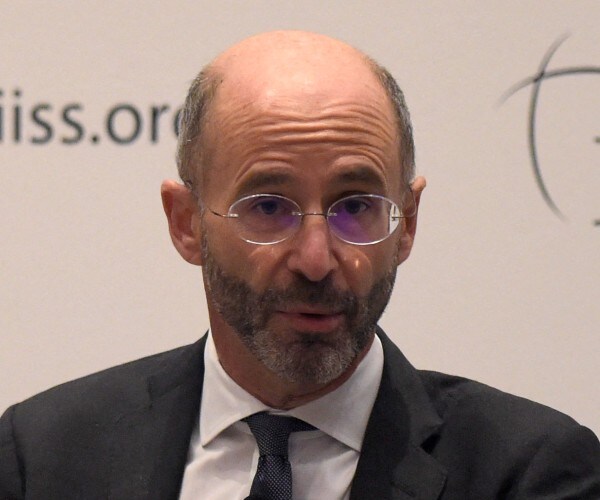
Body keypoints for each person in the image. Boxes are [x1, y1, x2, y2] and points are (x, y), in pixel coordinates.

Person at [1, 30, 598, 500]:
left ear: (408, 223)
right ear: (186, 222)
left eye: (356, 207)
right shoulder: (44, 456)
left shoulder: (528, 471)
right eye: (268, 207)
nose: (316, 260)